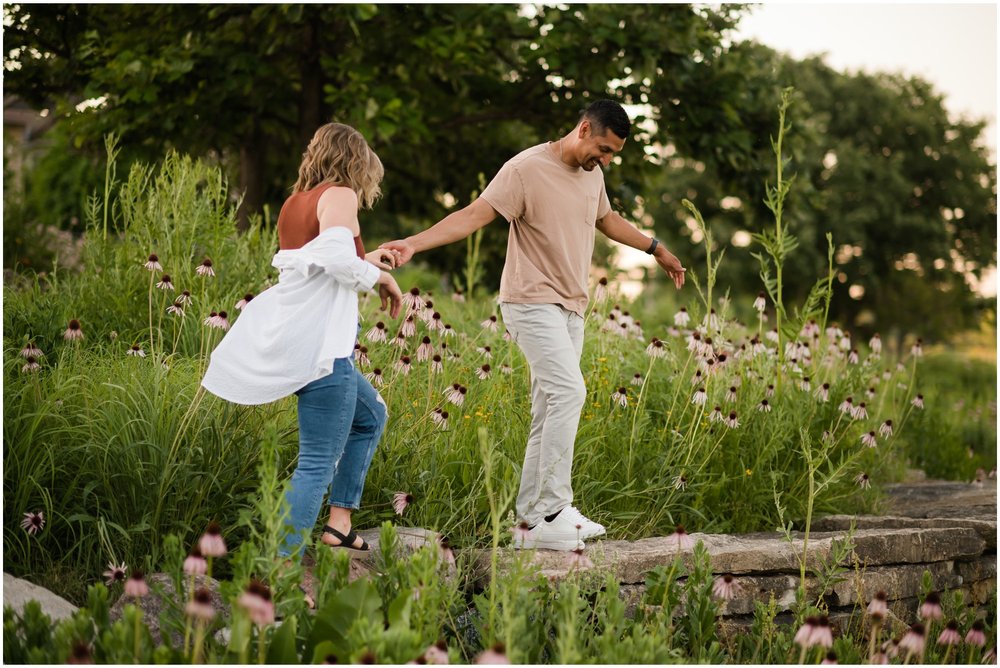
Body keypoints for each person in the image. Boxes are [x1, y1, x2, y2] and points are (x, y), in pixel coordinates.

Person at [382, 99, 685, 551]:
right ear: (583, 129)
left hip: (571, 308)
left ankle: (528, 525)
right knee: (569, 391)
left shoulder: (593, 176)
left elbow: (607, 220)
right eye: (603, 148)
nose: (605, 160)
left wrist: (655, 247)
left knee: (548, 408)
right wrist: (412, 244)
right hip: (530, 301)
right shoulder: (524, 169)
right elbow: (472, 216)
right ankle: (556, 511)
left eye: (612, 155)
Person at [202, 122, 403, 560]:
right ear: (354, 161)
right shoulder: (341, 195)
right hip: (325, 353)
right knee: (316, 462)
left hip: (305, 347)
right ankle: (279, 568)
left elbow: (313, 264)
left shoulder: (295, 203)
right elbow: (331, 257)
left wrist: (365, 258)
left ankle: (339, 524)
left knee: (371, 417)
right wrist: (378, 275)